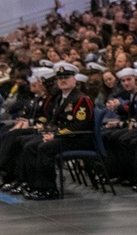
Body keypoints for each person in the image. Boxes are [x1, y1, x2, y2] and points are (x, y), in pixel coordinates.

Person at [14, 62, 93, 200]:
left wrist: (54, 135)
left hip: (78, 139)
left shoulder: (81, 99)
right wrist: (48, 131)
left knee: (45, 148)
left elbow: (78, 126)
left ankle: (48, 188)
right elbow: (54, 121)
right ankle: (30, 183)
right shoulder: (60, 98)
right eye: (60, 78)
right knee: (29, 144)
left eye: (66, 77)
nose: (63, 81)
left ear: (74, 80)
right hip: (63, 137)